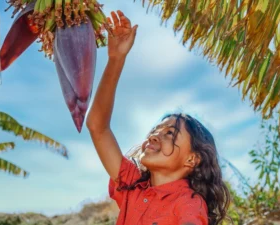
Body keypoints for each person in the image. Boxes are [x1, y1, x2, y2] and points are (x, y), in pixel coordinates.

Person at [86, 10, 230, 225]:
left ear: (192, 159)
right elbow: (97, 126)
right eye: (155, 131)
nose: (153, 137)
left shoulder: (188, 203)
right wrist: (116, 59)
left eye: (170, 134)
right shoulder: (132, 185)